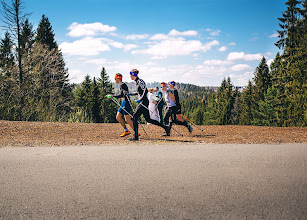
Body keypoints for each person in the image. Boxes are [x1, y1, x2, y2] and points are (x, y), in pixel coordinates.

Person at [129, 69, 170, 141]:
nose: (130, 76)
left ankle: (136, 137)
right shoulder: (137, 82)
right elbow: (138, 92)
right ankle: (166, 127)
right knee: (148, 119)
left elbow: (145, 90)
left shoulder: (140, 81)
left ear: (133, 75)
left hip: (143, 102)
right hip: (144, 101)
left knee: (135, 117)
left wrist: (141, 99)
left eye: (130, 75)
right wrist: (130, 94)